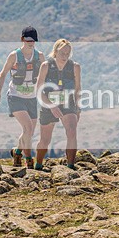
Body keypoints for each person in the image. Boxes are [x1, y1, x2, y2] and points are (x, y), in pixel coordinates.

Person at [0, 26, 44, 169]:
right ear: (22, 39)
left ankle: (17, 152)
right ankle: (28, 160)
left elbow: (44, 75)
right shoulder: (14, 56)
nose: (31, 42)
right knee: (28, 127)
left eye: (33, 40)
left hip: (32, 97)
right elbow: (3, 74)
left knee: (29, 132)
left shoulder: (39, 56)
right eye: (28, 39)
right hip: (16, 96)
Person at [35, 39, 81, 170]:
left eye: (68, 53)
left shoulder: (75, 67)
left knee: (72, 131)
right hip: (48, 103)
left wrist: (78, 108)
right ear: (55, 52)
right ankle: (38, 165)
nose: (65, 56)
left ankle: (70, 166)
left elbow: (78, 89)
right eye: (62, 53)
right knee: (45, 140)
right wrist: (51, 106)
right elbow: (39, 90)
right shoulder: (46, 66)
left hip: (68, 103)